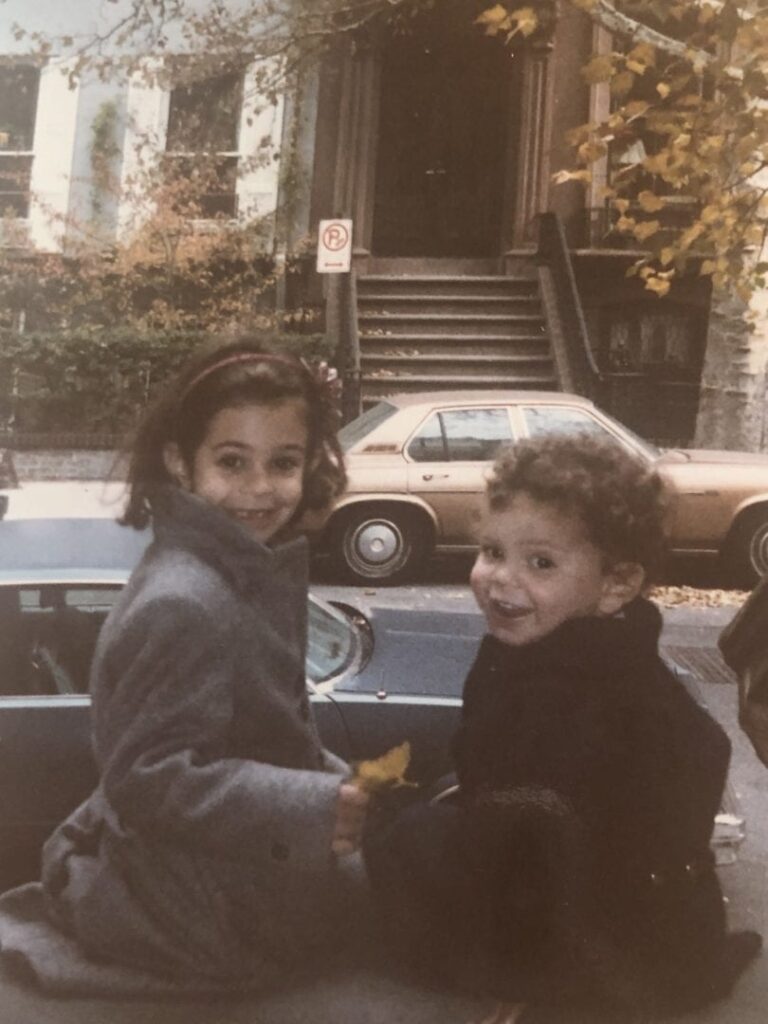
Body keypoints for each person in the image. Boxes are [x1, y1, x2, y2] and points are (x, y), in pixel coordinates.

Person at [0, 338, 369, 995]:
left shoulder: (241, 568)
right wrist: (310, 800)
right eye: (232, 461)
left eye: (283, 462)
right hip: (197, 900)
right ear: (179, 462)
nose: (260, 487)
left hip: (220, 865)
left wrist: (321, 783)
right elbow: (149, 775)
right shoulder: (187, 601)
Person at [365, 434, 760, 1024]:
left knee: (399, 858)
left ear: (616, 584)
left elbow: (525, 862)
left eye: (540, 563)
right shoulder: (584, 653)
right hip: (636, 915)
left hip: (598, 945)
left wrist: (523, 974)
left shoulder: (571, 704)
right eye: (492, 551)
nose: (500, 579)